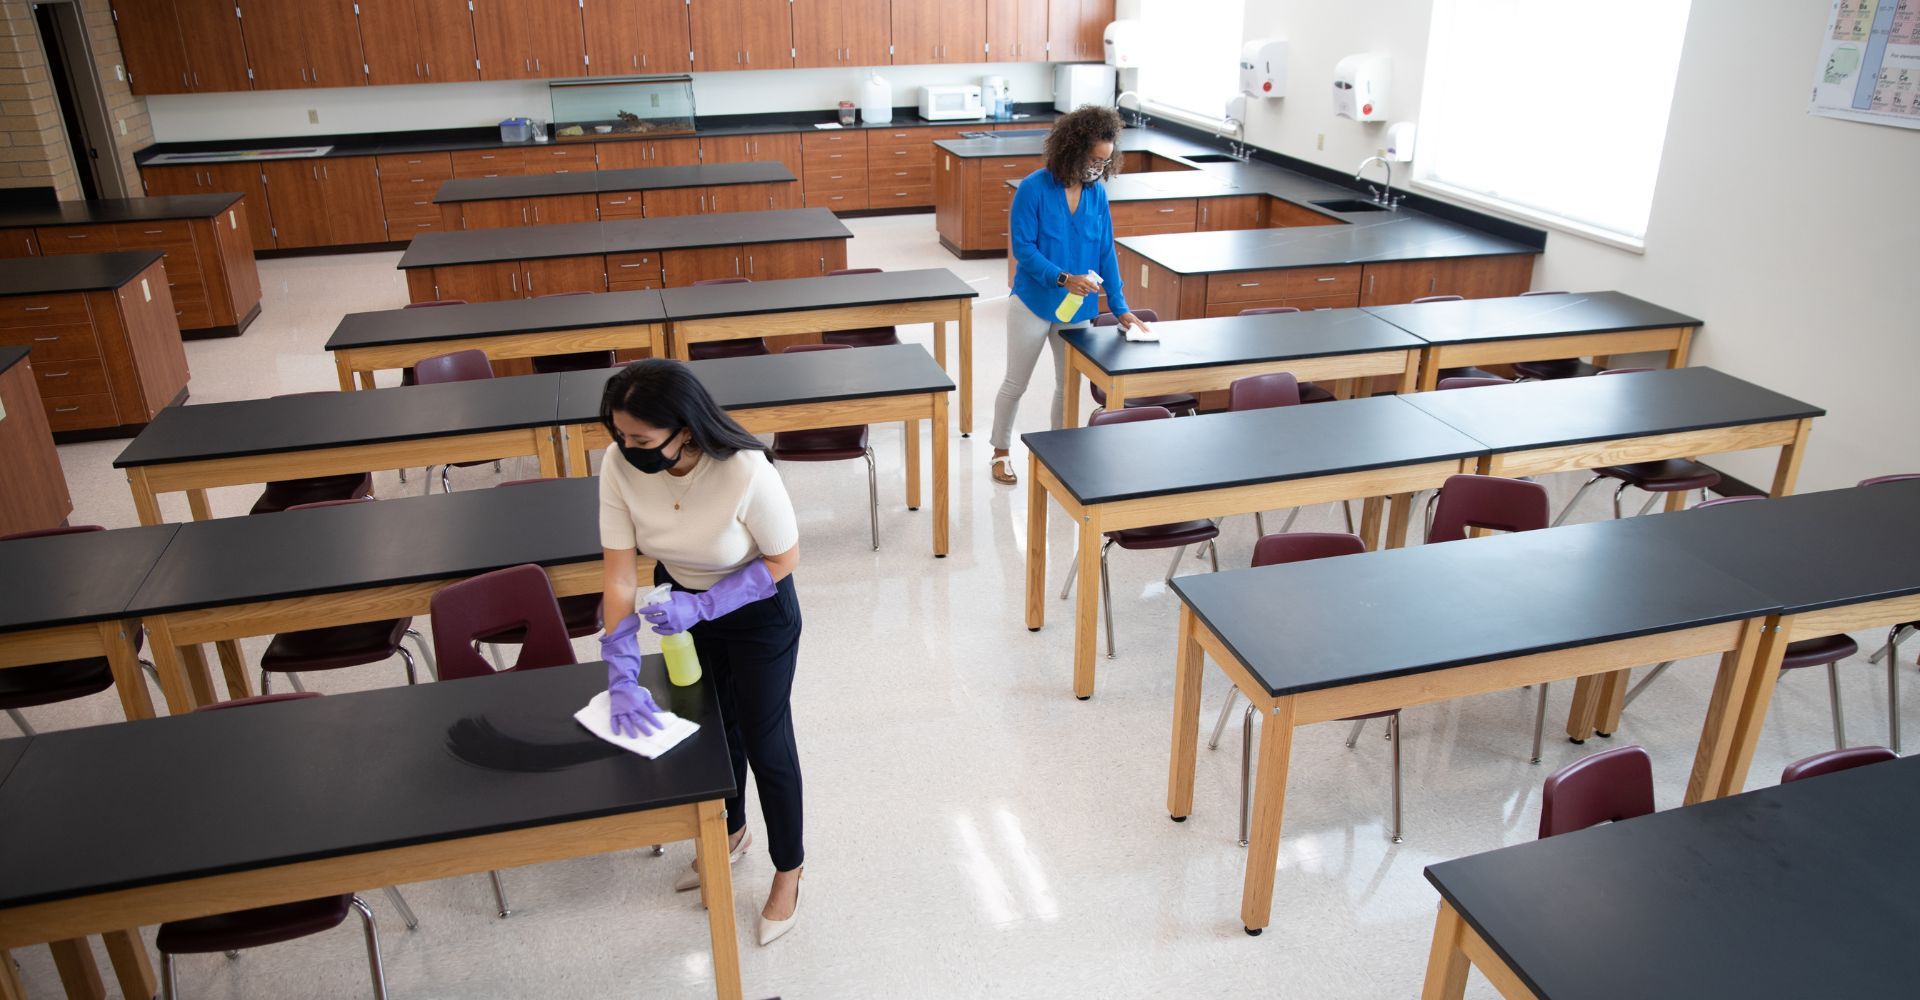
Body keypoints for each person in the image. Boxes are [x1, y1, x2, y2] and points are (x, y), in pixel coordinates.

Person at [595, 358, 807, 946]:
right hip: (681, 612)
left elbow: (784, 559)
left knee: (766, 740)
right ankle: (731, 831)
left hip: (756, 610)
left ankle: (789, 870)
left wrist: (707, 604)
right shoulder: (618, 465)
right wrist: (621, 667)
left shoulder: (744, 468)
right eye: (620, 435)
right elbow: (618, 575)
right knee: (712, 730)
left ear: (684, 428)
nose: (626, 446)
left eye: (640, 438)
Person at [989, 104, 1151, 485]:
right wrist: (1064, 278)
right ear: (1073, 149)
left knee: (1069, 384)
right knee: (1017, 382)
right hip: (1033, 301)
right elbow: (1024, 249)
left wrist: (1120, 305)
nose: (1097, 168)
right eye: (1093, 159)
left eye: (1104, 162)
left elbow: (1106, 250)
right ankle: (1000, 452)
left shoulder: (1097, 196)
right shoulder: (1033, 189)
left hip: (1078, 307)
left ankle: (1061, 454)